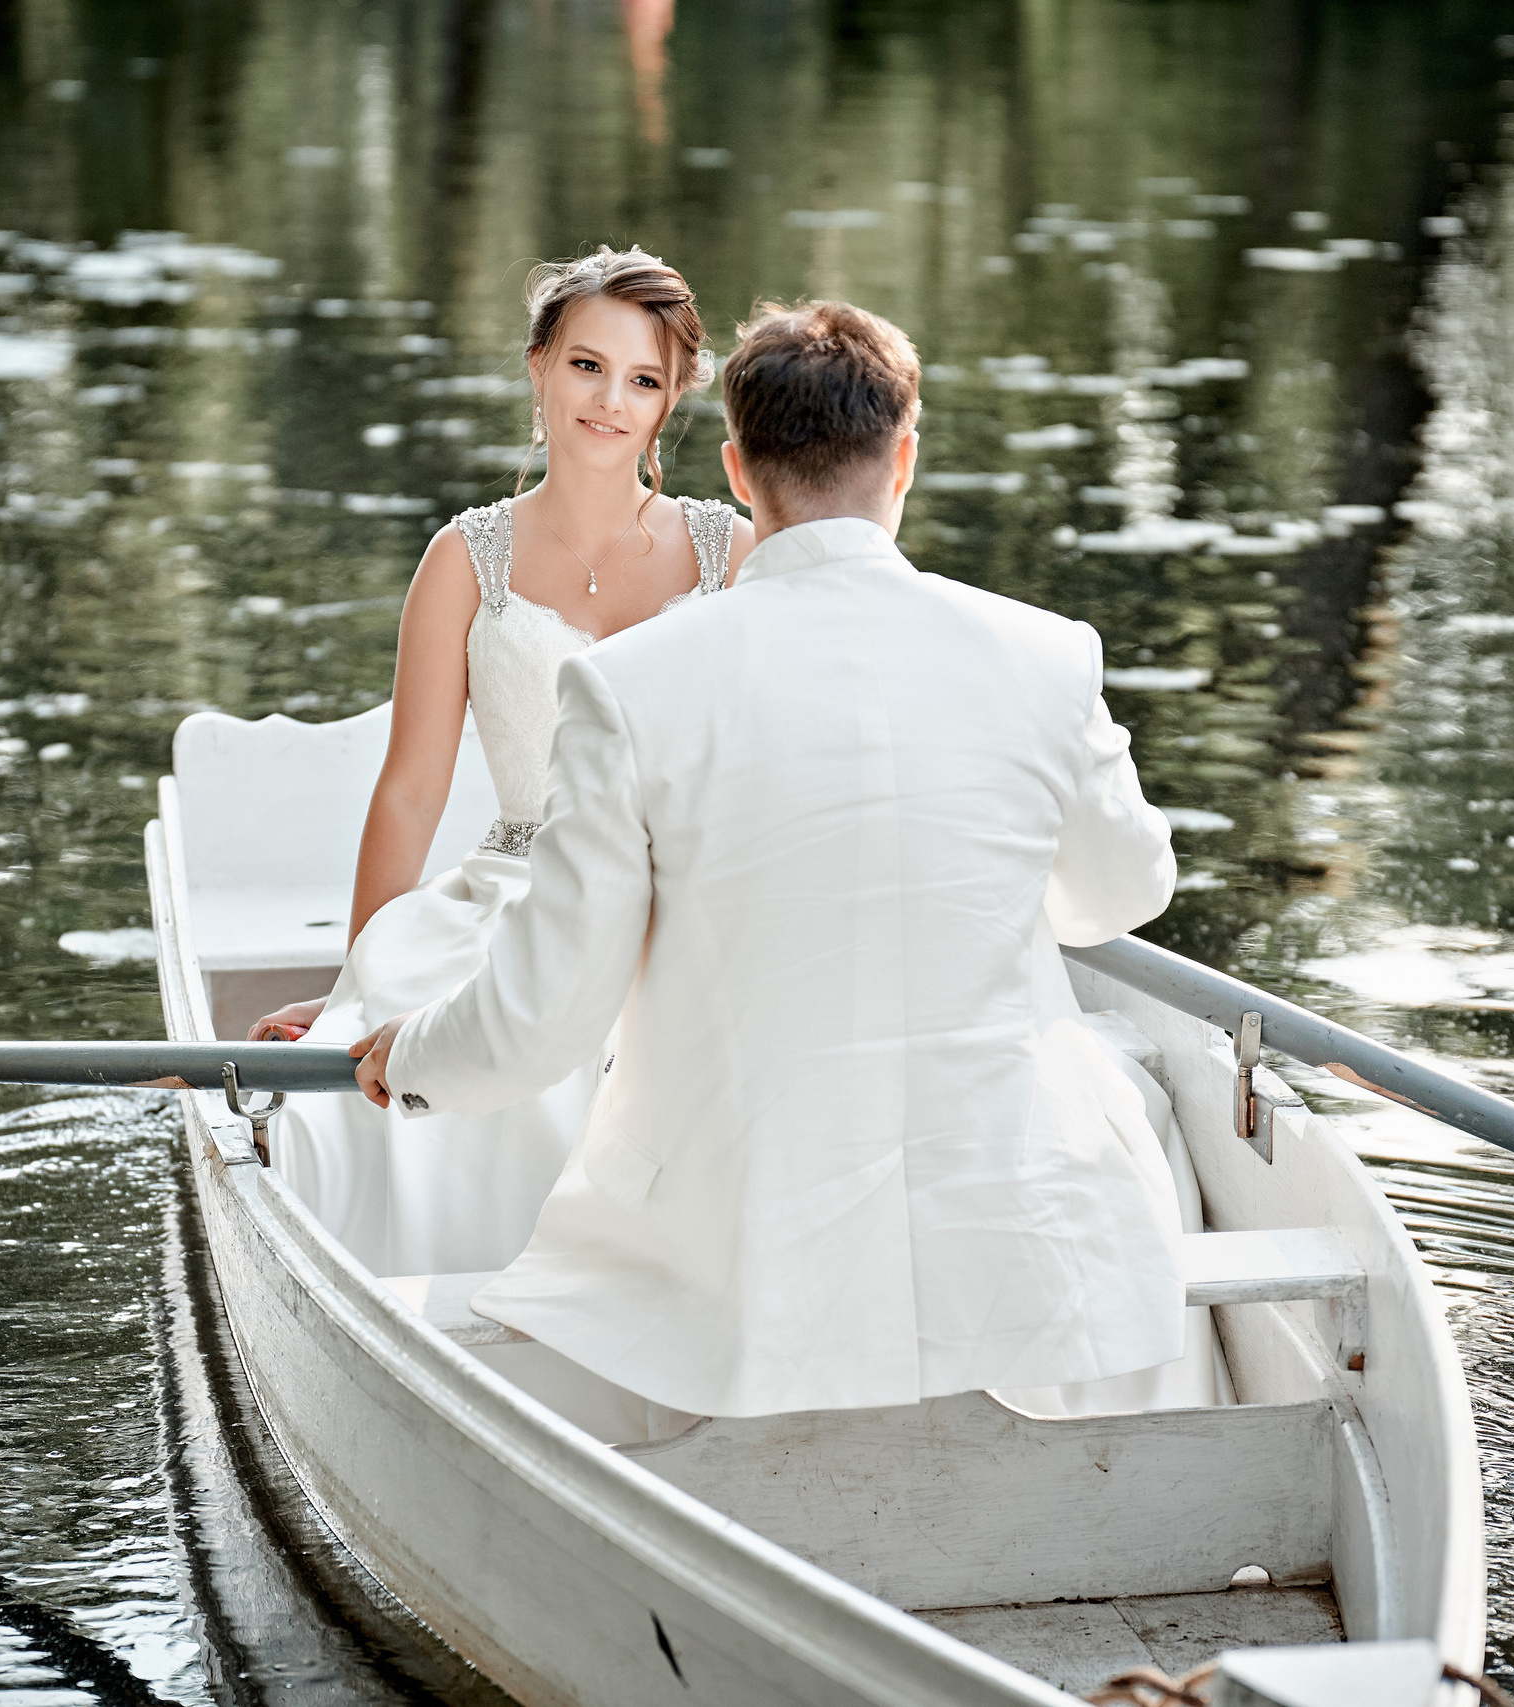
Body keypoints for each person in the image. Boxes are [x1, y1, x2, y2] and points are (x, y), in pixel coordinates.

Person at [350, 301, 1196, 1421]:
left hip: (745, 1250)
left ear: (739, 472)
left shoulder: (629, 685)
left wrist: (405, 1055)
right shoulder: (1047, 652)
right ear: (904, 457)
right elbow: (1119, 897)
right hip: (1026, 1231)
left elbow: (544, 1024)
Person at [250, 246, 753, 1276]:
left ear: (670, 406)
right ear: (538, 366)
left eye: (643, 380)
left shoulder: (730, 553)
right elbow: (411, 788)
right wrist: (356, 976)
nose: (610, 400)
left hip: (682, 892)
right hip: (513, 886)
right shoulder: (465, 558)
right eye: (586, 366)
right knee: (429, 1058)